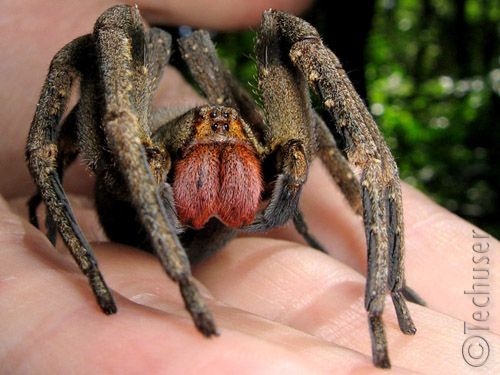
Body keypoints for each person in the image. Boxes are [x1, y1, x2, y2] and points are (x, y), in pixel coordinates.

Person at [1, 1, 498, 372]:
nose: (219, 128)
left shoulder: (279, 148)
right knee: (107, 33)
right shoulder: (128, 142)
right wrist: (58, 199)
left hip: (205, 234)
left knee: (291, 33)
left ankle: (385, 293)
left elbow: (316, 135)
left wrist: (373, 184)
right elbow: (83, 85)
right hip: (126, 201)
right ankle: (165, 268)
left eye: (230, 126)